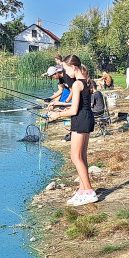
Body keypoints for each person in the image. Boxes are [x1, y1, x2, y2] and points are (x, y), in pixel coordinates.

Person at [47, 55, 99, 206]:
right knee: (82, 156)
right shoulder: (84, 82)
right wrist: (58, 105)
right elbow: (79, 105)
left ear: (74, 68)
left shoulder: (77, 84)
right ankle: (82, 190)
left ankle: (89, 191)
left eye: (66, 69)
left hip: (80, 120)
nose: (65, 72)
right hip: (86, 118)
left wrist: (57, 115)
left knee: (75, 157)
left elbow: (74, 109)